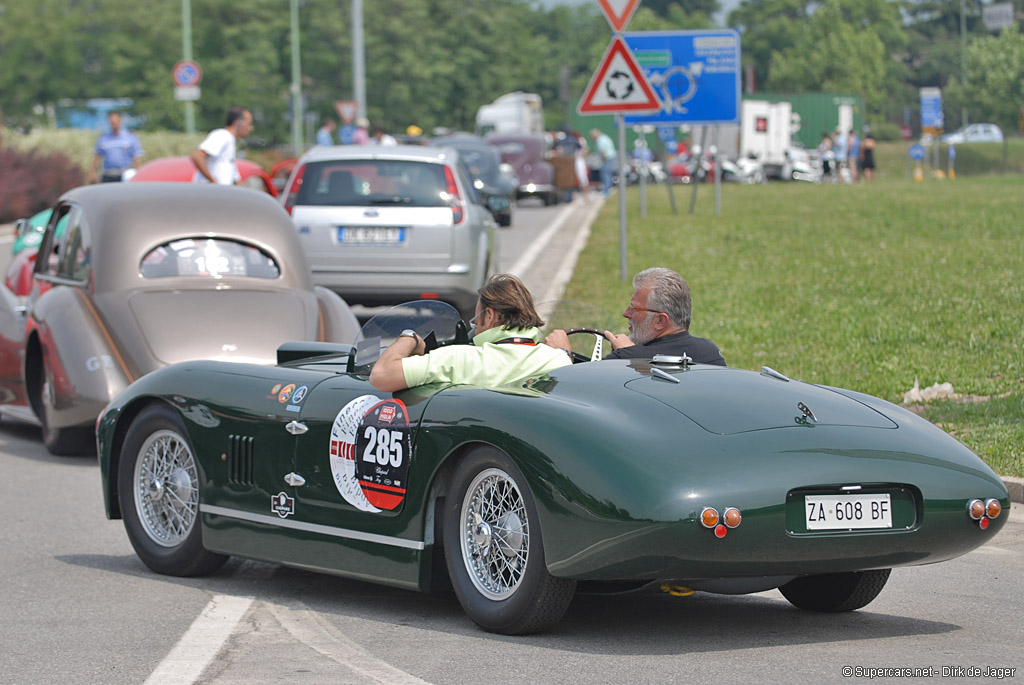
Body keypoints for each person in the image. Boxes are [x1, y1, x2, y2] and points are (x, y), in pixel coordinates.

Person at [369, 274, 571, 392]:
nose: (474, 329)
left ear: (489, 316)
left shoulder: (458, 358)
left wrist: (410, 337)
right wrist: (564, 352)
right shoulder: (557, 361)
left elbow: (381, 375)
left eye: (476, 321)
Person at [545, 267, 726, 365]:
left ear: (660, 321)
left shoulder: (622, 363)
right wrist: (630, 351)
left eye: (634, 309)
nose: (626, 313)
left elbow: (576, 392)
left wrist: (563, 354)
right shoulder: (710, 353)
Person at [191, 106, 254, 185]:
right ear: (238, 123)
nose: (250, 128)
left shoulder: (230, 142)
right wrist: (213, 181)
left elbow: (236, 180)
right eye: (249, 124)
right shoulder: (223, 135)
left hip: (220, 194)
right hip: (211, 194)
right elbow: (197, 156)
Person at [88, 111, 144, 183]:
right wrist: (92, 172)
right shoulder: (103, 138)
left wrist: (139, 173)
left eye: (116, 120)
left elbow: (136, 157)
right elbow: (96, 156)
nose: (114, 123)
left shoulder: (130, 137)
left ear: (120, 121)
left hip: (124, 174)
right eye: (111, 121)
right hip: (108, 174)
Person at [590, 128, 616, 196]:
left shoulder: (600, 141)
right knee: (608, 174)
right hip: (611, 157)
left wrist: (602, 160)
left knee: (605, 174)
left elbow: (603, 152)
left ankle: (606, 191)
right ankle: (609, 188)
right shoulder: (605, 137)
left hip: (606, 159)